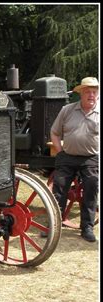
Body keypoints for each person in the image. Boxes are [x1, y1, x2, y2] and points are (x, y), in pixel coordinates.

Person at [50, 77, 99, 242]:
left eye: (94, 92)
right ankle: (54, 226)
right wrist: (60, 151)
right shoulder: (67, 110)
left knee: (91, 190)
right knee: (59, 189)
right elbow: (55, 132)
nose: (91, 95)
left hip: (91, 158)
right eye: (88, 92)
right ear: (81, 93)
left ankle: (87, 228)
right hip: (68, 157)